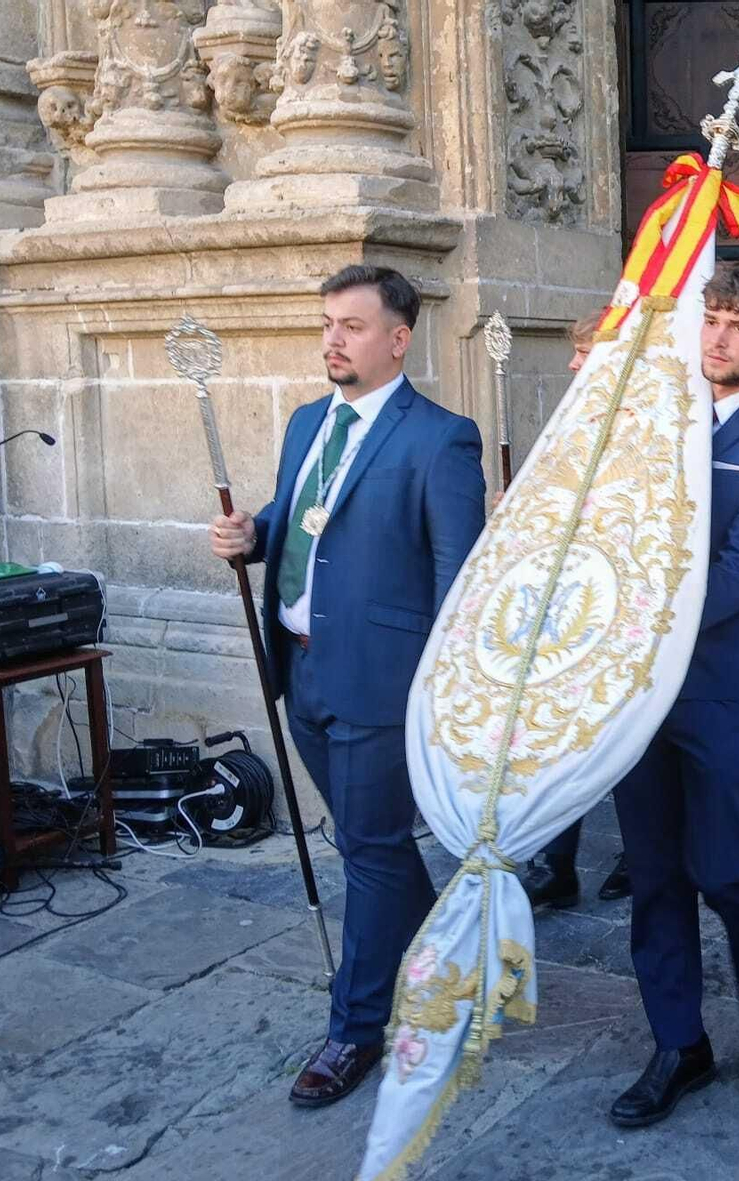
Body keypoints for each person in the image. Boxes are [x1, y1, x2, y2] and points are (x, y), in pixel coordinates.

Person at [208, 266, 486, 1106]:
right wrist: (250, 532)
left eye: (353, 326)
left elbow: (457, 581)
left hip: (383, 682)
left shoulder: (442, 438)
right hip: (301, 667)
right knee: (373, 844)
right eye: (327, 323)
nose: (333, 339)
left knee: (366, 850)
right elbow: (299, 515)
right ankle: (456, 948)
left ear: (397, 339)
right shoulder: (305, 424)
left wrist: (444, 697)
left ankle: (355, 1028)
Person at [607, 259, 739, 1129]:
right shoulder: (648, 418)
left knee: (723, 867)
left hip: (717, 691)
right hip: (631, 691)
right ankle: (678, 1042)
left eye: (737, 324)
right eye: (710, 319)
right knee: (653, 874)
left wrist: (639, 604)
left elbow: (735, 579)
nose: (717, 336)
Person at [522, 310, 634, 907]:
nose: (571, 363)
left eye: (584, 352)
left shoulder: (653, 430)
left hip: (629, 610)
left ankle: (640, 852)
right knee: (560, 739)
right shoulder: (570, 423)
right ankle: (555, 864)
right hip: (568, 607)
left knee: (629, 742)